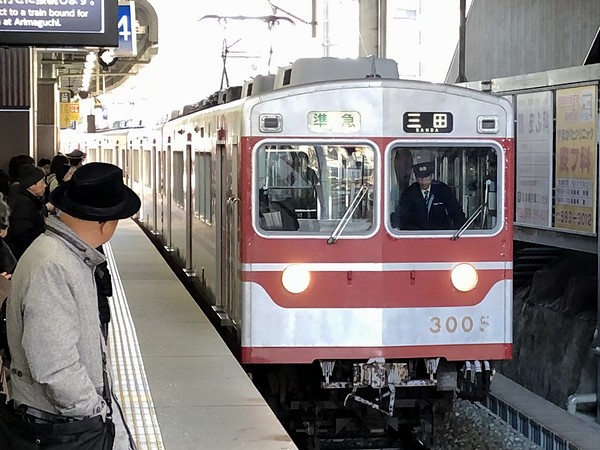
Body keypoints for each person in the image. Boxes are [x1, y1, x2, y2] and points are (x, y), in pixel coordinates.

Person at [0, 162, 140, 449]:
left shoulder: (63, 255)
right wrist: (93, 413)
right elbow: (54, 364)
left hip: (65, 424)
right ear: (106, 224)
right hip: (61, 429)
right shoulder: (53, 266)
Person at [392, 161, 466, 230]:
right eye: (420, 178)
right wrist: (397, 228)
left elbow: (456, 212)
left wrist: (456, 231)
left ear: (432, 177)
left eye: (426, 178)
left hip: (440, 235)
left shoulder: (443, 190)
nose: (423, 181)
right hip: (415, 235)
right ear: (416, 178)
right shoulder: (409, 193)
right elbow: (400, 214)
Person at [5, 164, 48, 260]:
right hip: (23, 255)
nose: (45, 185)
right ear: (32, 185)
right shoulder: (24, 205)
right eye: (42, 182)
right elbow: (23, 235)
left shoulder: (22, 197)